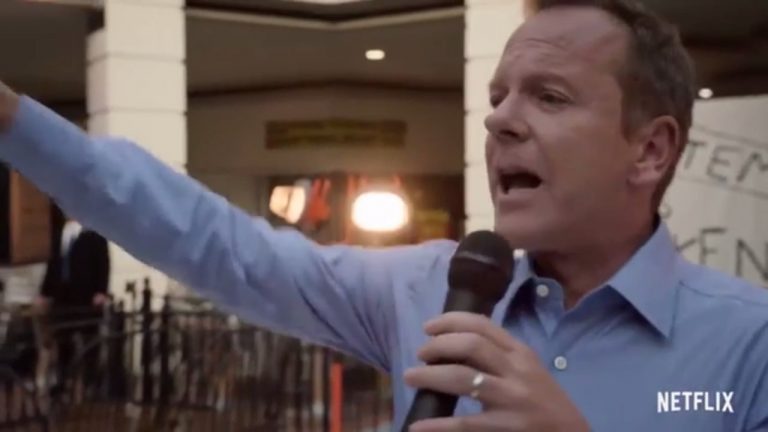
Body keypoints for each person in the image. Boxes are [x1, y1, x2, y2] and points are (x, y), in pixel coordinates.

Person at [0, 0, 767, 430]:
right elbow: (216, 244)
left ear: (650, 151)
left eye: (550, 96)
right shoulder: (427, 288)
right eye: (499, 96)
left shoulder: (747, 349)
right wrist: (13, 123)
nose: (500, 120)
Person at [34, 211, 110, 389]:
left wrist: (101, 291)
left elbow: (103, 262)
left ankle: (91, 383)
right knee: (63, 339)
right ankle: (63, 379)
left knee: (89, 339)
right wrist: (44, 292)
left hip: (86, 294)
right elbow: (53, 264)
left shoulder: (93, 233)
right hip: (63, 294)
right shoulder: (61, 232)